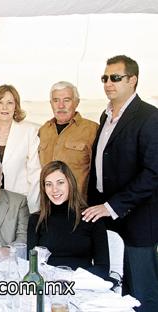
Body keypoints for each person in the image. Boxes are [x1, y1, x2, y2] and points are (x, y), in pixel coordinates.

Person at [84, 55, 158, 311]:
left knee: (142, 295)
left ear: (133, 80)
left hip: (138, 220)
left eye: (115, 77)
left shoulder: (150, 116)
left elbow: (153, 174)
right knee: (118, 293)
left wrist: (112, 206)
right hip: (108, 218)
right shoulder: (105, 117)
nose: (108, 83)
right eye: (104, 78)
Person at [27, 161, 109, 278]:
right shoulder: (36, 219)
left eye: (60, 183)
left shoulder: (91, 217)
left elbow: (103, 268)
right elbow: (31, 265)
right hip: (49, 285)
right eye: (49, 184)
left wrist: (71, 280)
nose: (54, 189)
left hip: (82, 284)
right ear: (44, 188)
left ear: (70, 183)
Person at [0, 85, 41, 213]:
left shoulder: (29, 132)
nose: (4, 107)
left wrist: (32, 208)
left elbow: (35, 173)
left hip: (21, 203)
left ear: (16, 106)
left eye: (10, 103)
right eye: (0, 102)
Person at [38, 81, 98, 200]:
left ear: (76, 102)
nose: (61, 106)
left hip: (79, 207)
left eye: (66, 100)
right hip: (48, 206)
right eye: (56, 101)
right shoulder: (43, 130)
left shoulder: (92, 130)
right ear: (51, 103)